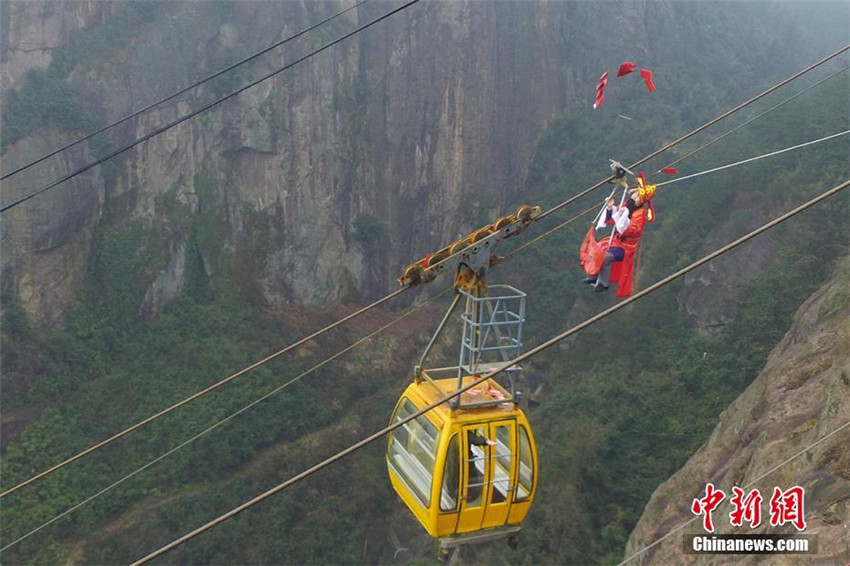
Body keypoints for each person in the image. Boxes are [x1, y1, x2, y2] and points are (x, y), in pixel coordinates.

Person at [584, 178, 655, 297]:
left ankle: (603, 283)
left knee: (606, 257)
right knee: (596, 249)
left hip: (625, 247)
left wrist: (624, 216)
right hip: (616, 241)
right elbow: (613, 217)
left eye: (637, 197)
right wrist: (610, 208)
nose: (633, 197)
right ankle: (593, 275)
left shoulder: (640, 214)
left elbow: (632, 230)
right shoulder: (627, 206)